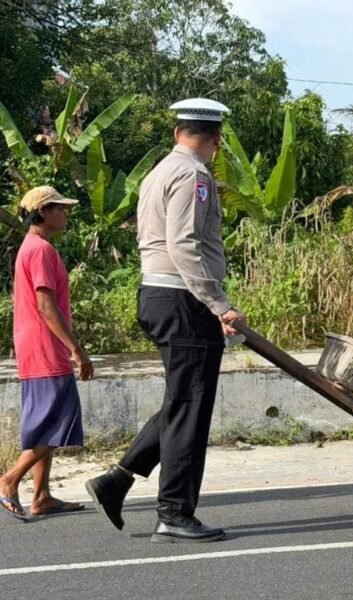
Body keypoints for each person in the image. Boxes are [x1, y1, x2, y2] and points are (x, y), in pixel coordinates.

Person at [85, 98, 245, 543]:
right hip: (182, 299)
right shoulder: (194, 175)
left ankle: (117, 480)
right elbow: (184, 245)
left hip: (158, 295)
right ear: (215, 140)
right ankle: (174, 512)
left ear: (177, 132)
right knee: (191, 408)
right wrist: (219, 304)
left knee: (181, 401)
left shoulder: (158, 171)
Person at [0, 186, 93, 521]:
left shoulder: (33, 247)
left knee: (45, 422)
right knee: (60, 420)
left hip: (34, 343)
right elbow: (46, 306)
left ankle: (41, 496)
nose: (65, 213)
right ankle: (9, 479)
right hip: (44, 345)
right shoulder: (40, 251)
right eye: (59, 208)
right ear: (42, 212)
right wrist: (77, 350)